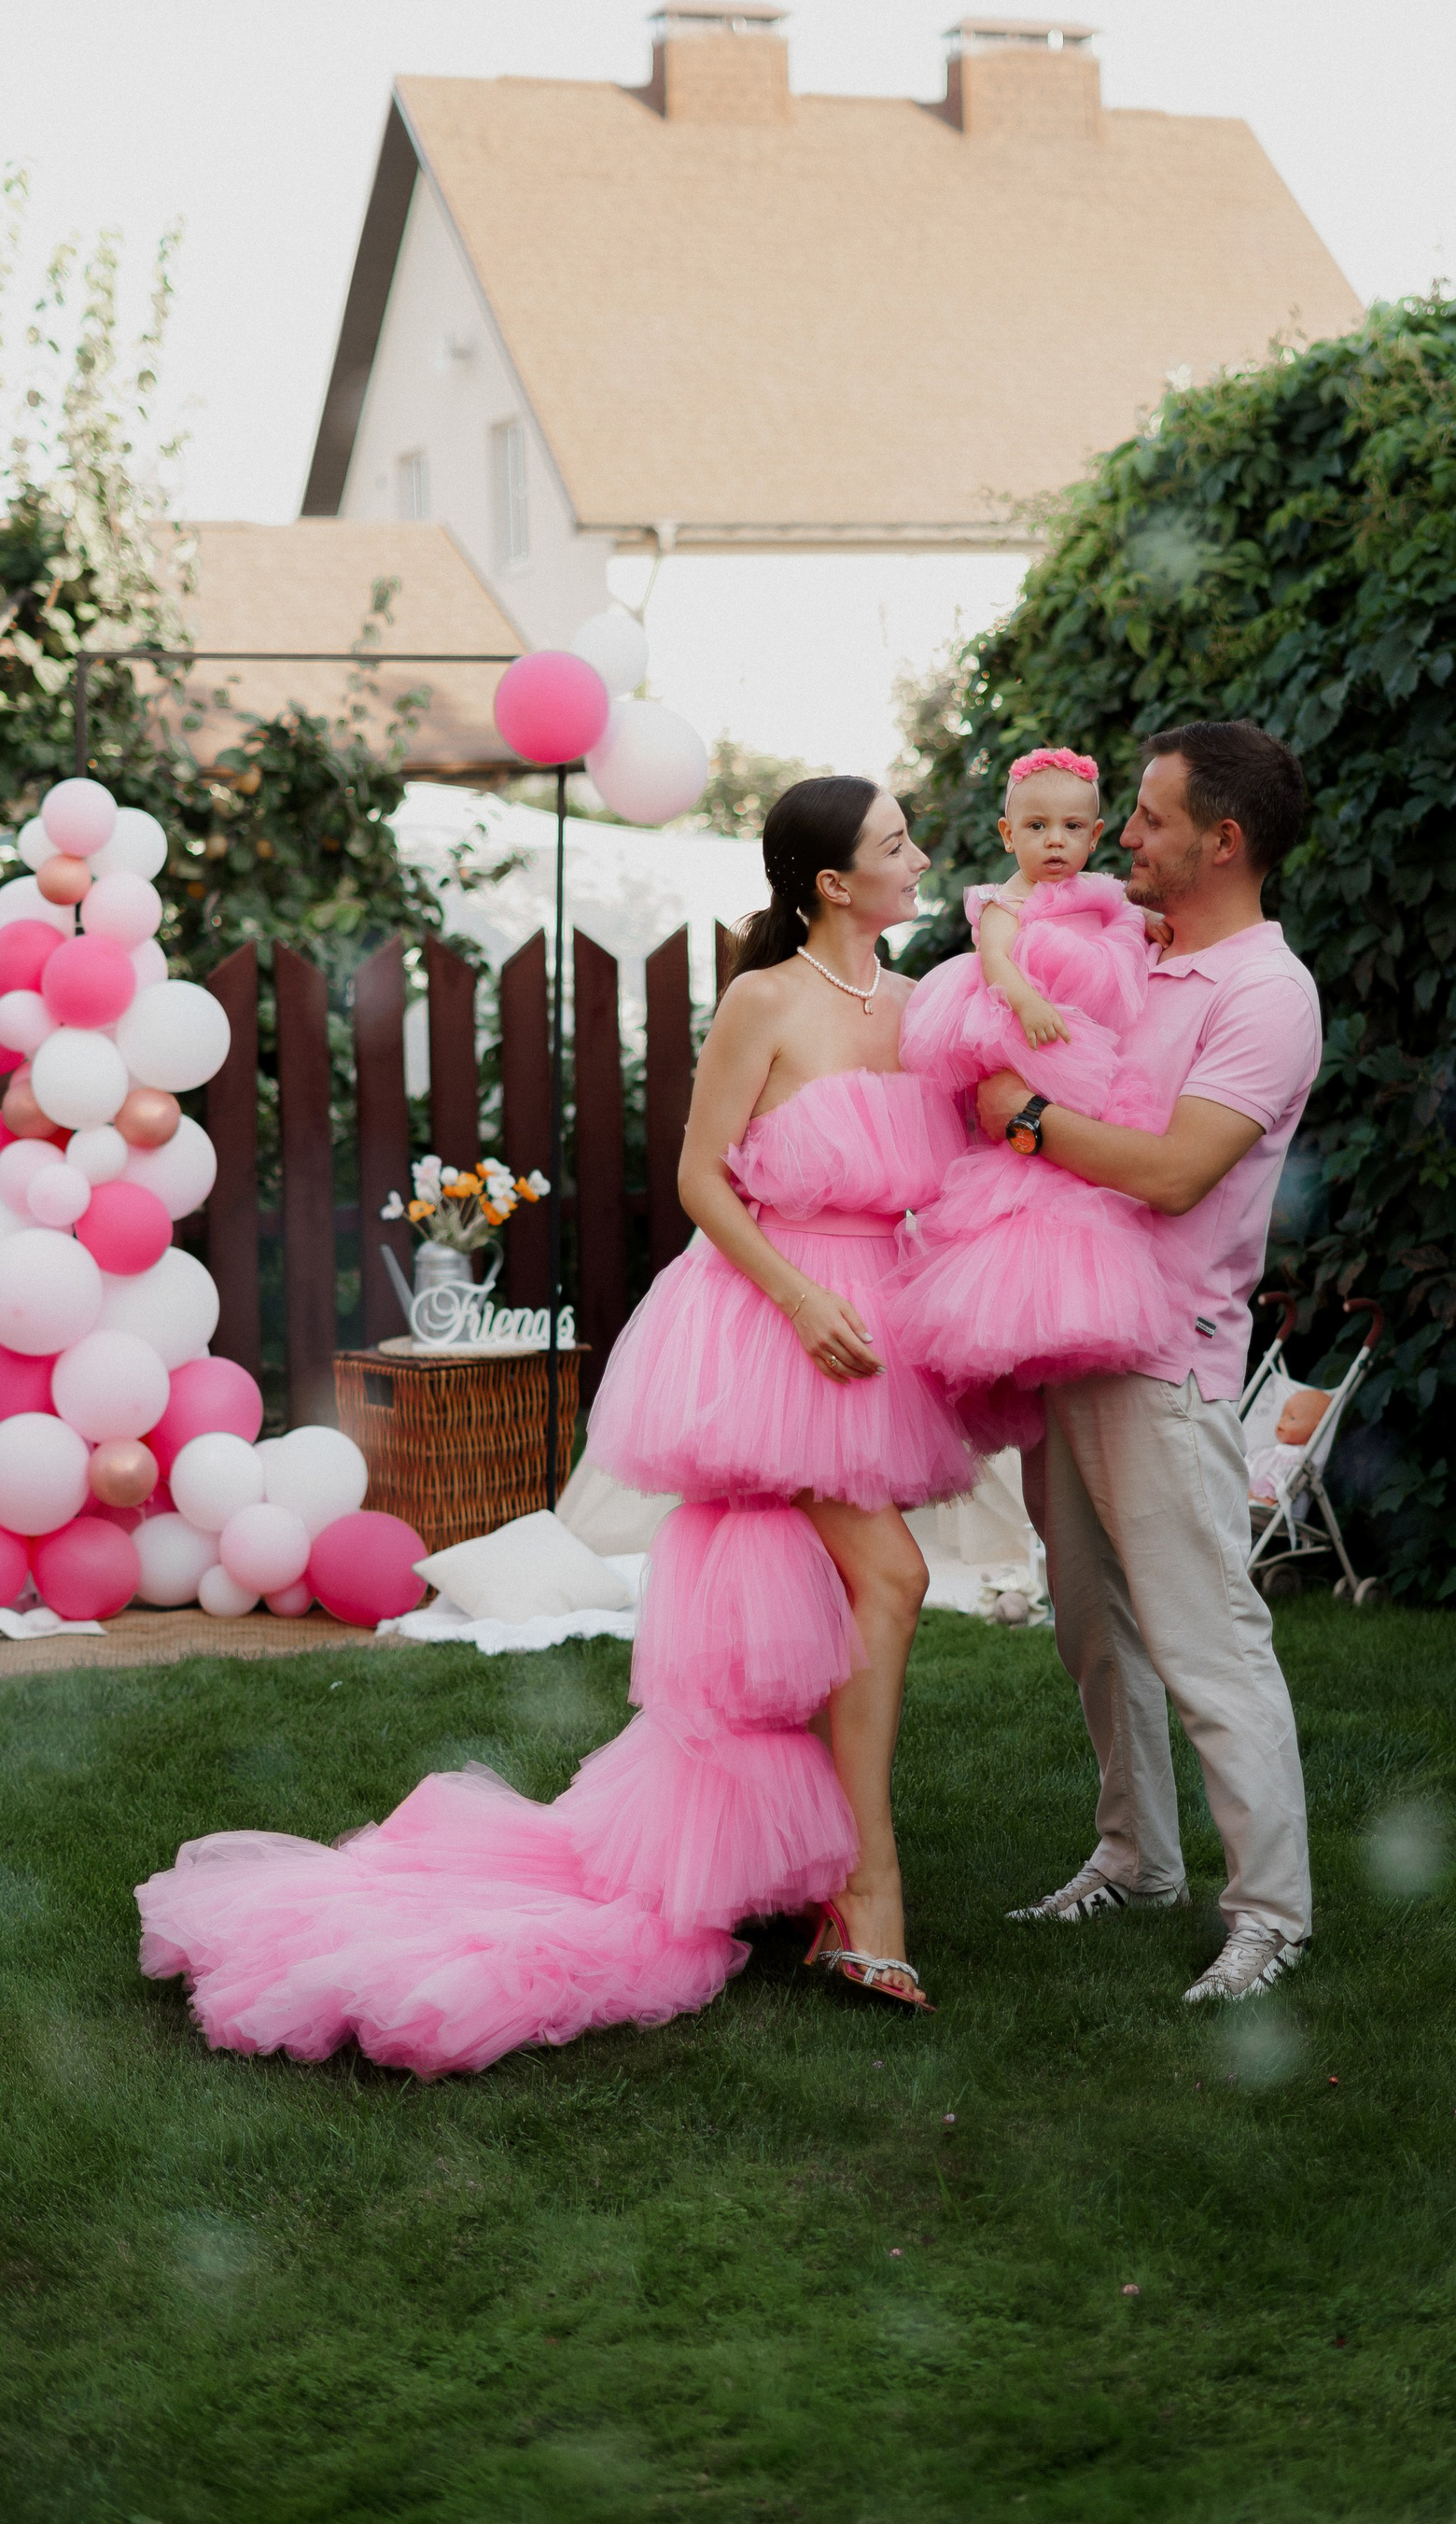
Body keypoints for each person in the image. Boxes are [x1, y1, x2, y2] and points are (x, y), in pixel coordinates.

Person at [136, 778, 975, 2071]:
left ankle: (811, 1864)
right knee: (895, 1577)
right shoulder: (764, 1001)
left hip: (880, 1322)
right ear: (831, 883)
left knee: (835, 1602)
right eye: (895, 844)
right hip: (778, 1319)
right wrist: (804, 1301)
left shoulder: (919, 1007)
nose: (919, 860)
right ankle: (869, 1885)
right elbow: (701, 1179)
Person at [976, 722, 1323, 2006]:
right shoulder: (1141, 944)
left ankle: (1272, 1915)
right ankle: (1137, 1861)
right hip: (1068, 1329)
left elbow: (1177, 1172)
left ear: (1222, 842)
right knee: (1093, 1629)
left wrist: (1022, 1118)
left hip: (1168, 1353)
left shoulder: (1265, 995)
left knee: (1205, 1640)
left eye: (1150, 818)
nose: (1121, 836)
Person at [887, 749, 1171, 1406]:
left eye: (1072, 828)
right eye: (1037, 827)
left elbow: (1130, 918)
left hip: (1087, 1040)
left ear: (1095, 836)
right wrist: (1025, 1001)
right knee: (1024, 1173)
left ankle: (1076, 1299)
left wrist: (1151, 924)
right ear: (1007, 834)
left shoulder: (1101, 890)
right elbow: (995, 960)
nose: (1055, 841)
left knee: (1082, 1172)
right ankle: (1017, 1303)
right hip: (1029, 1026)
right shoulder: (1005, 901)